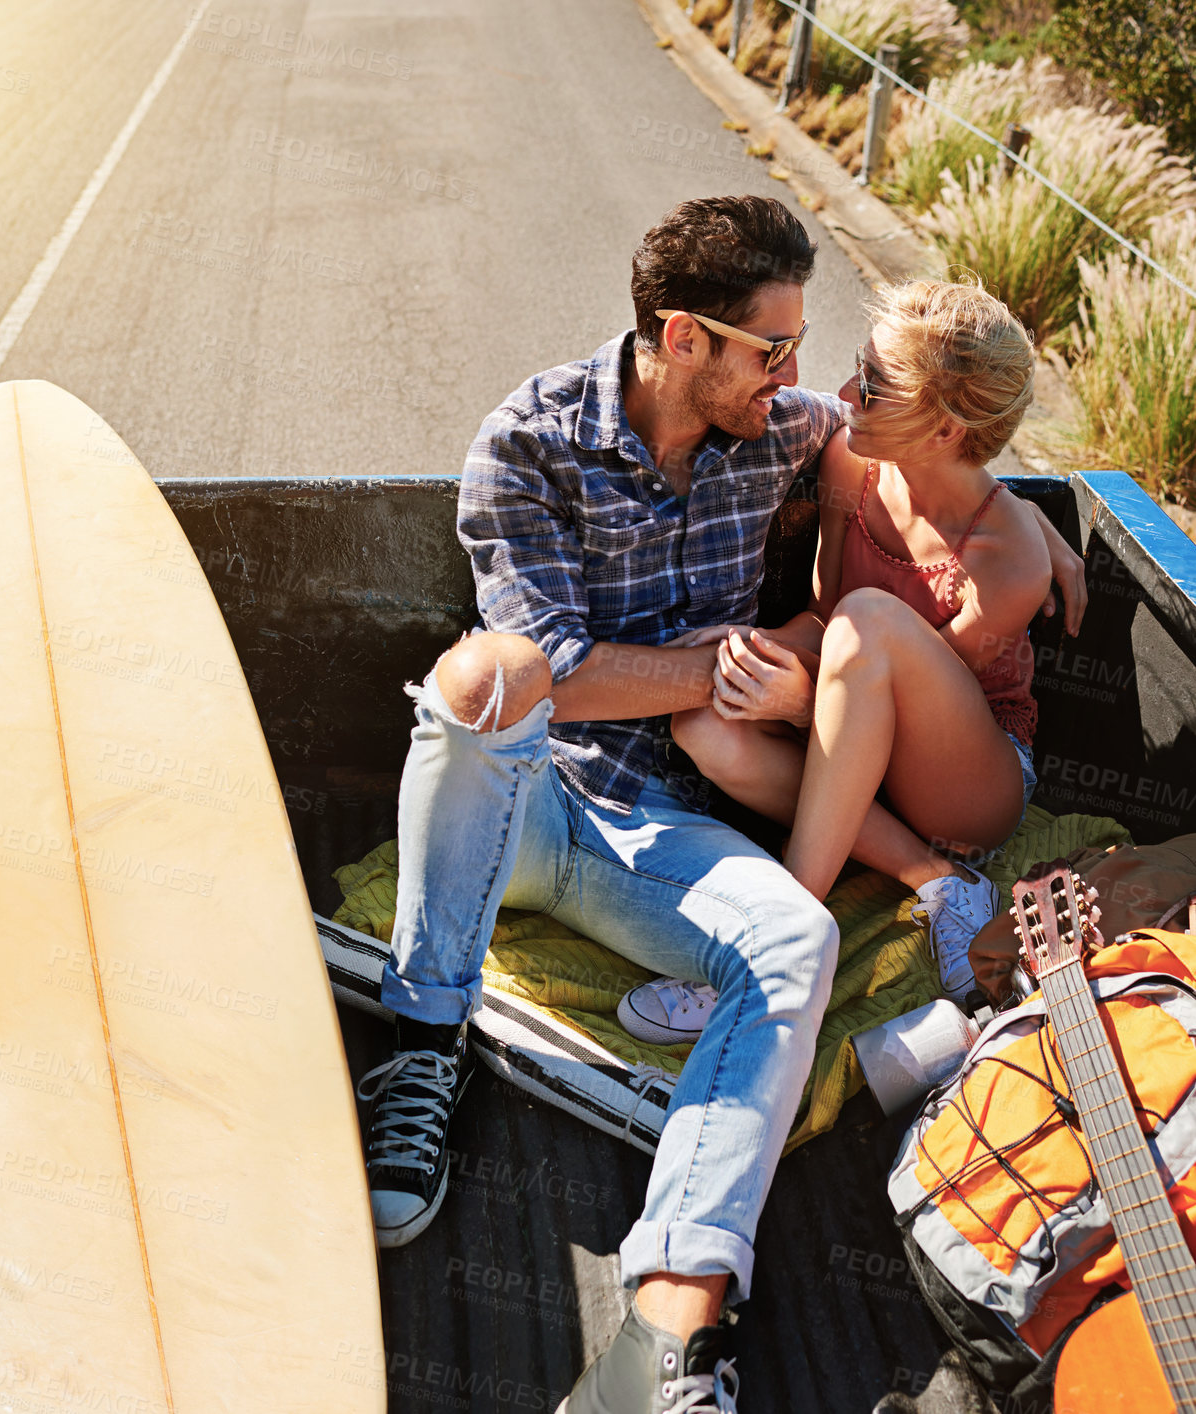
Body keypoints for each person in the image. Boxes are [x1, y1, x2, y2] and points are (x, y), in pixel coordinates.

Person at [353, 198, 1084, 1414]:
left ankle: (668, 1330)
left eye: (804, 350)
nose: (800, 380)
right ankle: (426, 1040)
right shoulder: (527, 443)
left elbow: (933, 487)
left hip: (665, 829)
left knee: (797, 938)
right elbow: (553, 667)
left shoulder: (789, 431)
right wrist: (718, 668)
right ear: (682, 338)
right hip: (530, 797)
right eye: (773, 351)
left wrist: (1039, 538)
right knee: (481, 675)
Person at [641, 280, 1049, 1037]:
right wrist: (751, 650)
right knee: (705, 721)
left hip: (968, 782)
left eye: (872, 387)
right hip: (858, 737)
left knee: (870, 620)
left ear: (944, 431)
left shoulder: (1009, 555)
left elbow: (880, 687)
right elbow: (827, 620)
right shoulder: (851, 465)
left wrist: (801, 704)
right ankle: (940, 885)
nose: (842, 393)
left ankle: (777, 947)